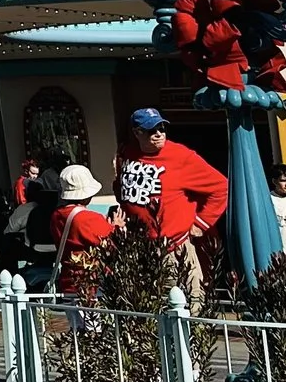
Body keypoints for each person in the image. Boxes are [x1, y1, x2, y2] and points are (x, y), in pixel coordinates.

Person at [117, 109, 227, 304]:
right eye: (152, 130)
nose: (159, 133)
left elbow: (221, 187)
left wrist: (201, 224)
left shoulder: (181, 156)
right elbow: (121, 187)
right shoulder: (127, 153)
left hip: (174, 248)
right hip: (139, 247)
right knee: (147, 307)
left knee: (188, 303)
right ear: (137, 133)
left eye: (162, 128)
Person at [50, 163, 115, 294]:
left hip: (68, 282)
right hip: (90, 284)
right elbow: (111, 244)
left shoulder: (56, 216)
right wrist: (117, 225)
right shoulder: (88, 218)